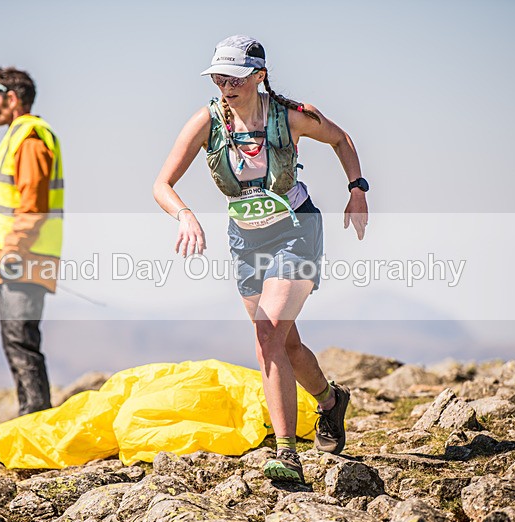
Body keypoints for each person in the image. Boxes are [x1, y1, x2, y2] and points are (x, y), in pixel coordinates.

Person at [153, 36, 370, 483]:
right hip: (245, 240)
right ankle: (330, 401)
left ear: (259, 76)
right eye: (217, 77)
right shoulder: (206, 121)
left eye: (233, 77)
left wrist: (357, 188)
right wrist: (185, 215)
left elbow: (341, 139)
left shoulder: (291, 116)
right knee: (284, 343)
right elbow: (162, 184)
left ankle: (287, 454)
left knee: (268, 334)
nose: (224, 86)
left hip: (296, 229)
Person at [0, 67, 64, 416]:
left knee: (22, 344)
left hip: (23, 259)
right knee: (17, 343)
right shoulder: (18, 136)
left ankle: (35, 421)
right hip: (17, 260)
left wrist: (13, 250)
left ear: (11, 99)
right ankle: (31, 419)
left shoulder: (29, 139)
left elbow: (33, 204)